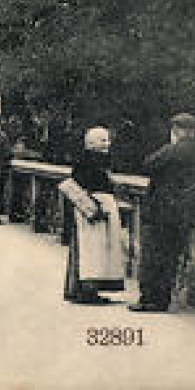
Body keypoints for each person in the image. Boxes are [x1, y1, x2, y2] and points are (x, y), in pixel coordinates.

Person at [132, 112, 195, 312]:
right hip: (182, 213)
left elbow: (147, 164)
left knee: (153, 257)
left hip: (160, 211)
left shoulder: (173, 150)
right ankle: (162, 299)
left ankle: (150, 300)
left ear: (177, 130)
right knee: (170, 259)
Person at [60, 126, 125, 305]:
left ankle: (84, 290)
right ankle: (87, 291)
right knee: (92, 249)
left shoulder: (95, 160)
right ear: (90, 143)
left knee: (92, 249)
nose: (107, 143)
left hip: (95, 208)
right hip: (93, 209)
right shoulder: (90, 161)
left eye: (107, 140)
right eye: (102, 140)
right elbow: (82, 184)